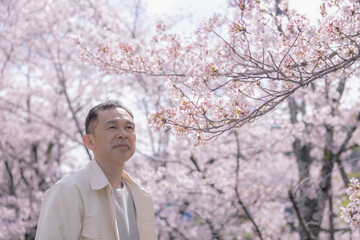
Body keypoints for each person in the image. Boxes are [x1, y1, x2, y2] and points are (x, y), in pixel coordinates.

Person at [35, 100, 156, 240]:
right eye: (112, 127)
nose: (123, 134)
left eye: (129, 128)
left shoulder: (142, 197)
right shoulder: (68, 191)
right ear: (89, 142)